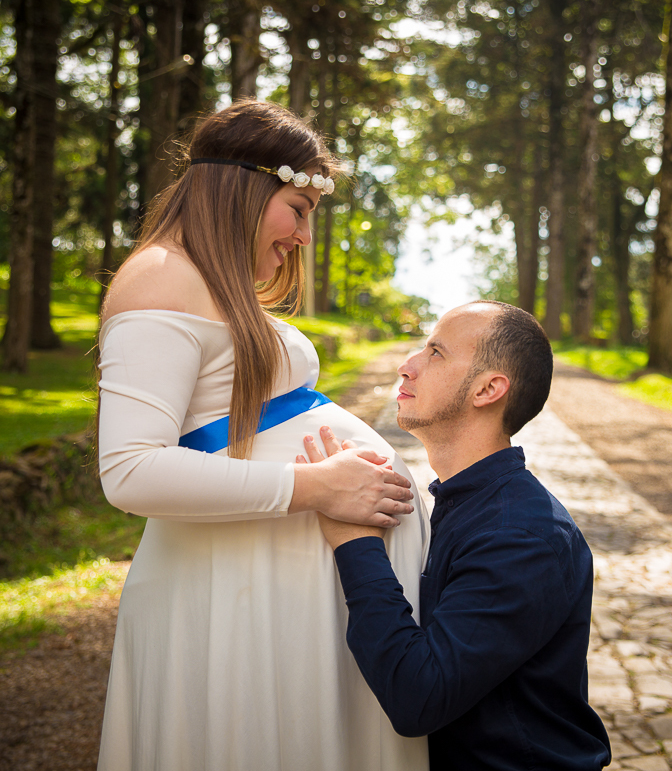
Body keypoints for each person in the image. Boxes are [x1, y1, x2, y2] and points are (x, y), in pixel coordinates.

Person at [94, 99, 430, 771]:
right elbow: (128, 471)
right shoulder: (162, 277)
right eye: (298, 211)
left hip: (266, 578)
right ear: (243, 186)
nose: (304, 237)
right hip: (235, 583)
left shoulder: (205, 283)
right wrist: (317, 486)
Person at [300, 301, 612, 771]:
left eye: (436, 353)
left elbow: (418, 698)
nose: (407, 366)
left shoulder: (522, 536)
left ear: (488, 389)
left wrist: (353, 540)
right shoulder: (465, 503)